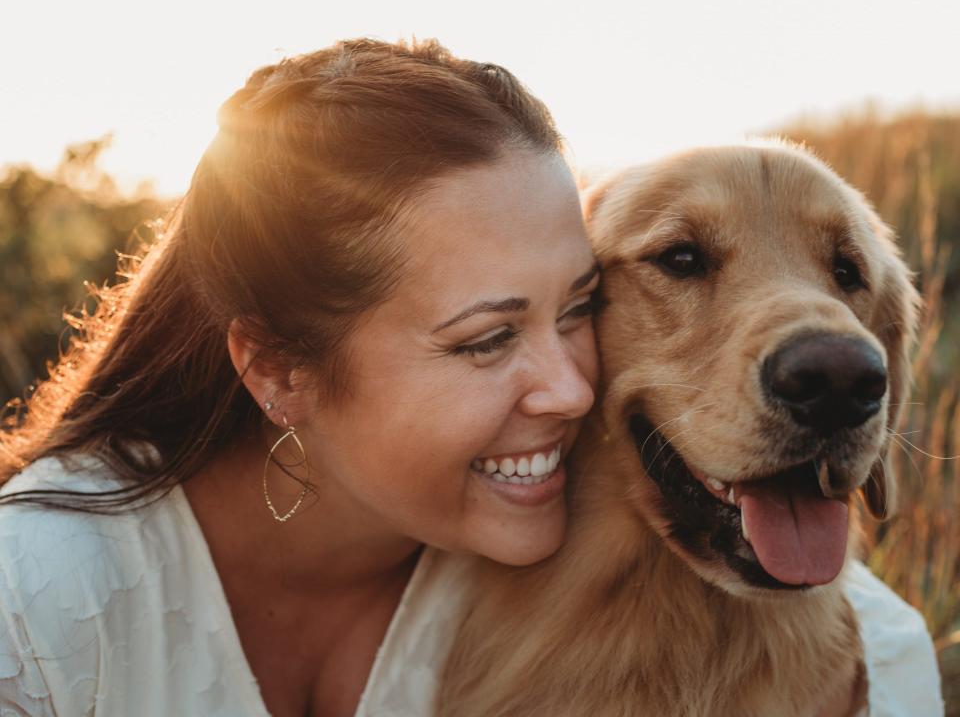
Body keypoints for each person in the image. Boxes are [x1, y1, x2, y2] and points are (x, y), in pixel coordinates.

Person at [0, 38, 942, 717]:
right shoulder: (36, 609)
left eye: (575, 310)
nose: (573, 392)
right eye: (486, 340)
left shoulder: (538, 537)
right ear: (280, 370)